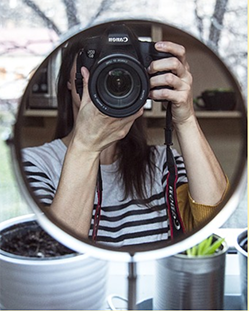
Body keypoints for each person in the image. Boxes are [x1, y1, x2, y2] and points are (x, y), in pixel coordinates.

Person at [22, 31, 229, 248]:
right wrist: (85, 147)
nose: (111, 69)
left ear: (145, 75)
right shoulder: (37, 164)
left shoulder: (162, 163)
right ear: (69, 80)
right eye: (96, 57)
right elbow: (50, 256)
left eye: (123, 59)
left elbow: (213, 230)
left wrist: (186, 118)